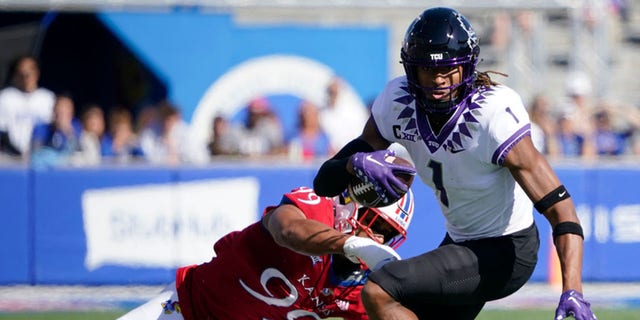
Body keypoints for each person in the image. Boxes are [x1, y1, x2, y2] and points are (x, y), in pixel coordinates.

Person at [312, 7, 596, 320]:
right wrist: (356, 163)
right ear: (411, 70)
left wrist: (573, 288)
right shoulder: (397, 101)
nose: (438, 81)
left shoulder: (492, 115)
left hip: (505, 252)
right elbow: (324, 183)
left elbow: (561, 209)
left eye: (449, 70)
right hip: (461, 243)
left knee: (379, 291)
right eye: (427, 70)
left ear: (467, 68)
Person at [117, 186, 415, 319]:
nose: (377, 239)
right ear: (353, 209)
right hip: (187, 310)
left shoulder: (359, 287)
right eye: (376, 225)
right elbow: (288, 230)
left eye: (388, 235)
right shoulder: (319, 209)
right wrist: (348, 243)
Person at [0, 55, 56, 158]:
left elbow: (53, 130)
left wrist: (40, 151)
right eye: (21, 73)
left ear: (37, 73)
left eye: (29, 73)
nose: (26, 77)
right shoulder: (5, 97)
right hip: (10, 157)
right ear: (15, 75)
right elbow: (2, 131)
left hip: (39, 157)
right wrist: (16, 153)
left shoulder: (48, 98)